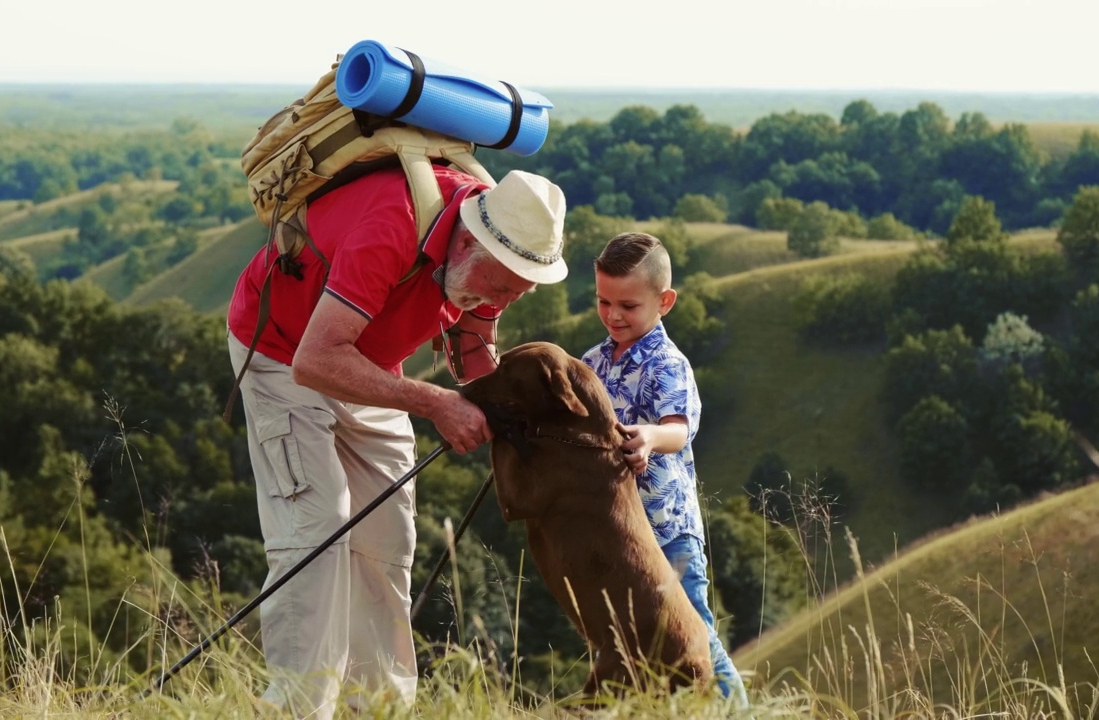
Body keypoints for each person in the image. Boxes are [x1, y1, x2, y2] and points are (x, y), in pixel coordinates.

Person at [226, 166, 567, 717]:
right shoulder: (392, 225)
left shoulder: (488, 255)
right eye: (502, 286)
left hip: (367, 362)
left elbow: (475, 339)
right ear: (467, 240)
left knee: (387, 537)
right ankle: (296, 708)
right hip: (284, 355)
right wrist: (436, 404)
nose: (503, 300)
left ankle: (377, 709)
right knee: (317, 529)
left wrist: (501, 406)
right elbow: (316, 361)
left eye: (518, 292)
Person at [580, 232, 749, 708]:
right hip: (615, 533)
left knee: (692, 630)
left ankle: (738, 710)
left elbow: (678, 429)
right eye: (603, 301)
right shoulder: (592, 363)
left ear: (665, 301)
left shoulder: (667, 364)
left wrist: (650, 437)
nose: (613, 315)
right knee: (623, 636)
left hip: (667, 531)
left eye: (628, 305)